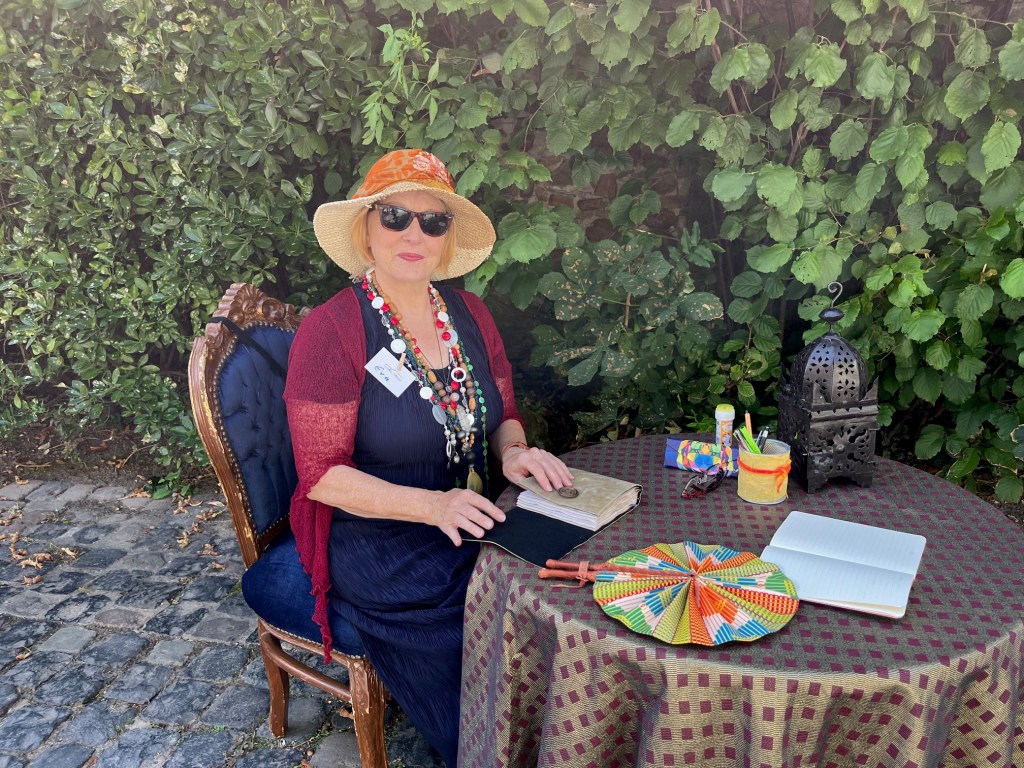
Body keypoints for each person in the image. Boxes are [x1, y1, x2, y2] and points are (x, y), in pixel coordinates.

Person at [284, 149, 574, 766]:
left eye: (433, 221)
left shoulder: (471, 314)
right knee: (483, 636)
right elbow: (321, 477)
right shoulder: (332, 331)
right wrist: (432, 506)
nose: (414, 234)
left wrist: (514, 452)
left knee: (551, 591)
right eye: (395, 216)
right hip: (382, 539)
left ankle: (566, 735)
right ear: (366, 230)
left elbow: (503, 411)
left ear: (446, 240)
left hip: (470, 514)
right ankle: (489, 748)